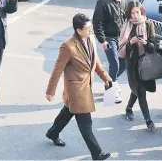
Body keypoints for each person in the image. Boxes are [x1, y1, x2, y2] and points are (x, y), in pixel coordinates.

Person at [45, 13, 112, 160]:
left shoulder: (91, 39)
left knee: (67, 112)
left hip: (86, 87)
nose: (91, 31)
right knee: (85, 123)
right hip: (76, 91)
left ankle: (52, 133)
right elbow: (57, 69)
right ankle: (97, 153)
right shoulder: (68, 46)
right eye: (88, 29)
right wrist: (51, 90)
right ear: (78, 30)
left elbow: (96, 63)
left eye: (91, 28)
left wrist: (106, 78)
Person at [118, 1, 156, 130]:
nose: (134, 15)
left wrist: (145, 43)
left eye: (137, 12)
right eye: (132, 13)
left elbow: (153, 47)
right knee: (140, 91)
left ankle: (129, 108)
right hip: (132, 62)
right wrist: (130, 42)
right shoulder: (126, 26)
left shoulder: (149, 24)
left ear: (141, 12)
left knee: (138, 89)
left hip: (145, 62)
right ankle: (148, 120)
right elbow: (122, 48)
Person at [93, 0, 127, 103]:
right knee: (115, 63)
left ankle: (110, 82)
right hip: (109, 38)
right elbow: (97, 23)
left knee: (123, 64)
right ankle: (112, 91)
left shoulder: (124, 0)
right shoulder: (103, 2)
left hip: (121, 37)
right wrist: (102, 40)